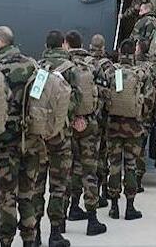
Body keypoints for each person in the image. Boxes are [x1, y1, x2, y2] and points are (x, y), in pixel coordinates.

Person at [0, 26, 41, 247]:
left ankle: (6, 240)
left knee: (6, 195)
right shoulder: (33, 65)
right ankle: (30, 239)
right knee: (28, 193)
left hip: (5, 142)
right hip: (31, 139)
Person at [33, 30, 79, 247]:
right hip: (62, 136)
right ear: (63, 44)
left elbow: (33, 99)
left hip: (40, 135)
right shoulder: (71, 69)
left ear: (46, 44)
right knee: (59, 186)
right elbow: (78, 101)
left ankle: (35, 234)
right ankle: (55, 233)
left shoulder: (39, 68)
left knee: (37, 185)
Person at [63, 30, 108, 236]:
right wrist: (88, 117)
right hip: (89, 126)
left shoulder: (61, 65)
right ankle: (92, 220)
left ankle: (65, 215)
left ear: (66, 44)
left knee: (66, 171)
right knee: (88, 171)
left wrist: (70, 120)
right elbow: (104, 95)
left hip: (65, 127)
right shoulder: (94, 66)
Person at [107, 39, 145, 221]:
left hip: (113, 127)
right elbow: (148, 100)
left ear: (121, 53)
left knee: (114, 166)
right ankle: (130, 207)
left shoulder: (111, 73)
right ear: (133, 54)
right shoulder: (140, 74)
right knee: (130, 166)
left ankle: (114, 206)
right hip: (133, 128)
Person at [87, 34, 114, 208]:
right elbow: (114, 92)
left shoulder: (84, 64)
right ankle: (102, 193)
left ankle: (80, 199)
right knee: (102, 155)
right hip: (102, 119)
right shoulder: (109, 67)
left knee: (85, 159)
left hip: (85, 118)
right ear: (103, 48)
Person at [133, 40, 156, 193]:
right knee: (140, 150)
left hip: (127, 117)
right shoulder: (152, 69)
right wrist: (155, 116)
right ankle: (137, 182)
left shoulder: (127, 67)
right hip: (144, 117)